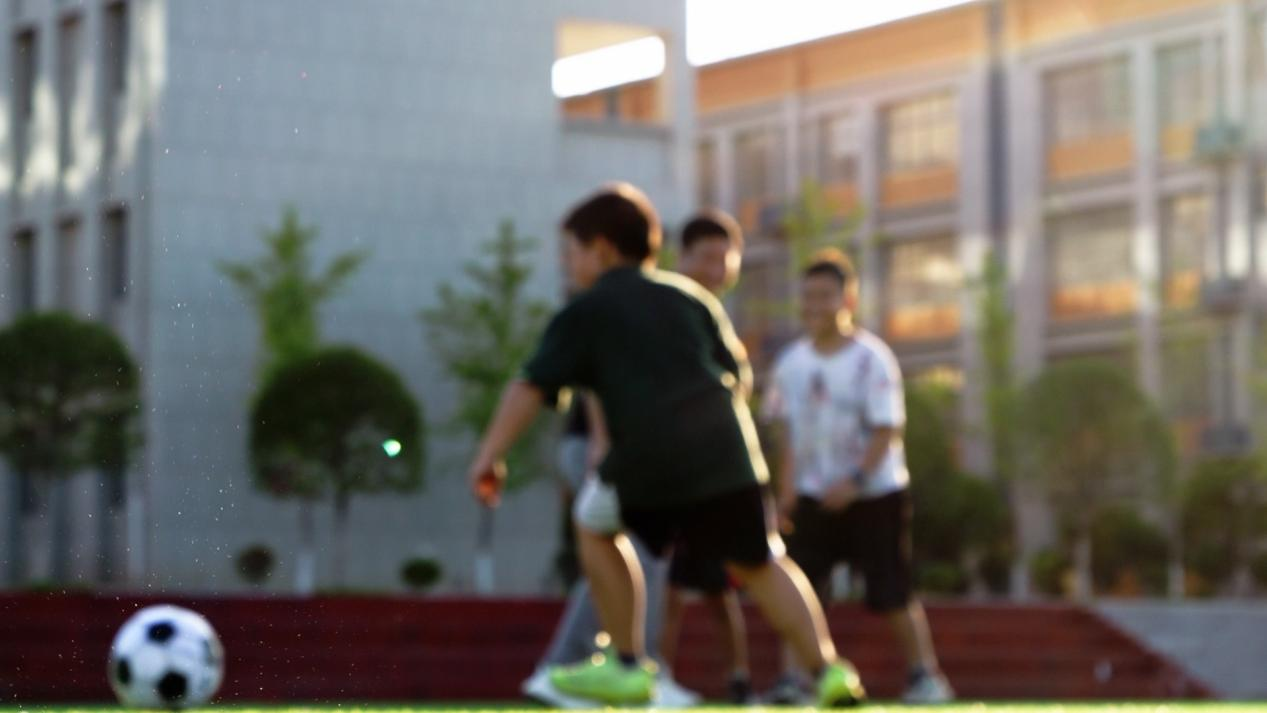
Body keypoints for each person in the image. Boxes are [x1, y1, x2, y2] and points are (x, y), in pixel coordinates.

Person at [467, 183, 865, 707]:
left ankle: (627, 663)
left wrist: (489, 456)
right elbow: (738, 375)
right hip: (728, 453)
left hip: (649, 454)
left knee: (593, 525)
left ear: (602, 249)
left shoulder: (586, 310)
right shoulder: (690, 297)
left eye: (572, 251)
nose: (567, 263)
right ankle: (829, 672)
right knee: (760, 561)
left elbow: (530, 386)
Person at [763, 249, 954, 705]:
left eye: (825, 295)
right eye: (808, 296)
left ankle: (924, 677)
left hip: (874, 494)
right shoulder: (790, 363)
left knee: (891, 590)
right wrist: (786, 492)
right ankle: (795, 680)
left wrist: (853, 482)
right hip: (812, 498)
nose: (815, 305)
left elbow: (887, 428)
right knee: (801, 590)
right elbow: (785, 433)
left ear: (848, 299)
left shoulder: (873, 358)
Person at [658, 210, 753, 703]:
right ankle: (655, 675)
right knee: (668, 586)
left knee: (718, 585)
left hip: (714, 477)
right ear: (682, 257)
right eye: (706, 257)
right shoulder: (669, 310)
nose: (716, 268)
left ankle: (739, 679)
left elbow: (739, 388)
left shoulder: (716, 317)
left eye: (725, 258)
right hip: (671, 474)